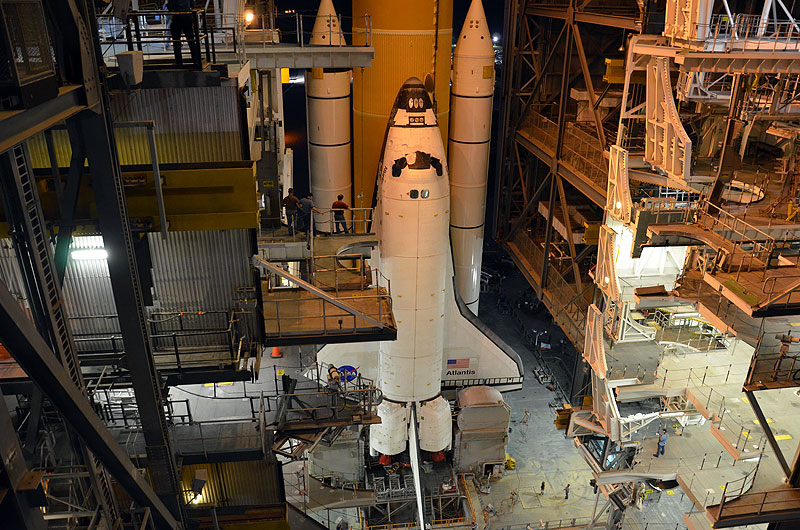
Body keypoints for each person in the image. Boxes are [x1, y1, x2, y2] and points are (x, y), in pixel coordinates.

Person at [167, 0, 201, 67]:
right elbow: (193, 4)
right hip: (187, 17)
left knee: (176, 41)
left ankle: (179, 62)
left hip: (177, 17)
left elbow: (170, 7)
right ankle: (195, 60)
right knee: (191, 40)